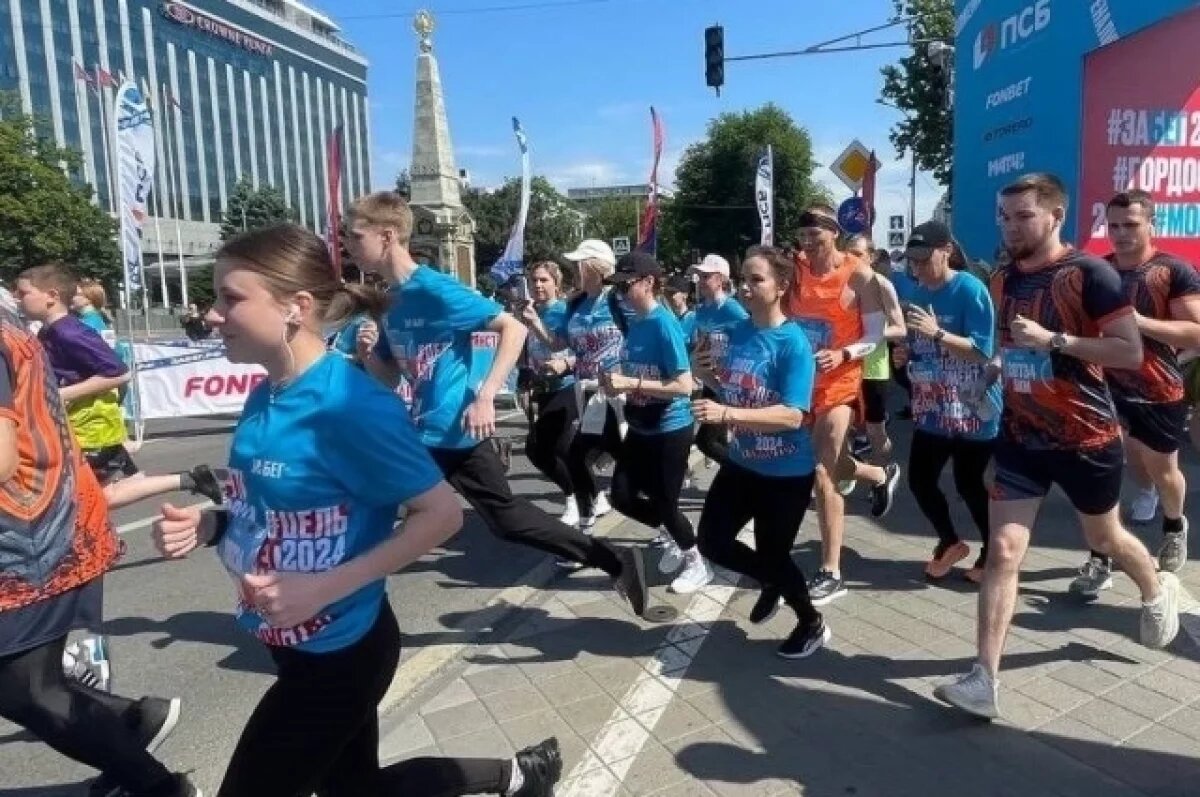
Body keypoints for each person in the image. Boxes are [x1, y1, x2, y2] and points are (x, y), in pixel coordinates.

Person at [153, 223, 562, 797]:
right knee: (357, 789)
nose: (212, 315)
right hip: (287, 640)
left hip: (342, 652)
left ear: (296, 307)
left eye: (231, 298)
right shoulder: (265, 390)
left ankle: (518, 776)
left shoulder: (351, 406)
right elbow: (266, 506)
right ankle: (517, 776)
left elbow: (440, 515)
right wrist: (213, 522)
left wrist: (322, 588)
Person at [935, 173, 1180, 721]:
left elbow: (1129, 352)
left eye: (1023, 216)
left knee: (1106, 536)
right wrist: (988, 377)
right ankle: (983, 679)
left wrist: (1057, 341)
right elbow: (1005, 346)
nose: (1010, 225)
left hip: (1085, 439)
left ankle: (1153, 586)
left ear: (1054, 217)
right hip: (1020, 437)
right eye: (1004, 215)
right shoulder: (1000, 279)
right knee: (1002, 552)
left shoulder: (1090, 274)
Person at [347, 194, 649, 617]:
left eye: (354, 235)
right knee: (387, 499)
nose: (347, 244)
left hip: (454, 428)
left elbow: (512, 329)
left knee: (497, 517)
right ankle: (345, 598)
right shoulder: (388, 300)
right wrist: (369, 357)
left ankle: (345, 602)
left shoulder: (433, 288)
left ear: (387, 235)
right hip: (425, 429)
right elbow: (392, 377)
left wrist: (486, 395)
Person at [0, 303, 194, 797]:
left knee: (28, 688)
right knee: (29, 686)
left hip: (29, 542)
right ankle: (131, 728)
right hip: (38, 531)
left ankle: (157, 784)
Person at [693, 246, 828, 658]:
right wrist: (704, 374)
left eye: (758, 280)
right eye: (744, 280)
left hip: (786, 472)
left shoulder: (792, 344)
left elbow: (792, 415)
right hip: (743, 463)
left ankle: (810, 620)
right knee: (712, 543)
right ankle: (773, 580)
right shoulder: (738, 333)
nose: (747, 289)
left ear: (781, 286)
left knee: (774, 554)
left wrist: (725, 412)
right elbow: (733, 388)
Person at [1068, 190, 1200, 596]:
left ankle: (1175, 524)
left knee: (1163, 471)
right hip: (1104, 389)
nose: (1121, 234)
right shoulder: (1098, 271)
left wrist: (1136, 321)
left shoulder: (1173, 270)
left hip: (1158, 389)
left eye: (1131, 225)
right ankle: (1100, 556)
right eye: (1114, 225)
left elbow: (1196, 331)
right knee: (1098, 474)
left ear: (1151, 224)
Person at [783, 206, 900, 606]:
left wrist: (845, 354)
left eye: (816, 235)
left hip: (840, 382)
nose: (808, 243)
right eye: (803, 236)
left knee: (821, 472)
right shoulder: (794, 269)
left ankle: (831, 571)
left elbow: (875, 335)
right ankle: (875, 475)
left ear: (833, 232)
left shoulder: (860, 275)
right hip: (801, 382)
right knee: (823, 463)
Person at [602, 252, 711, 593]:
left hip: (669, 428)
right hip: (640, 426)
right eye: (617, 288)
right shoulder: (634, 321)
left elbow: (683, 385)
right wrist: (616, 379)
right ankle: (672, 531)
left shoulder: (664, 324)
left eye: (626, 286)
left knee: (666, 503)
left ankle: (696, 560)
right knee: (620, 496)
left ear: (649, 283)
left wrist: (630, 384)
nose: (620, 294)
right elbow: (606, 300)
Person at [899, 221, 1000, 584]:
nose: (918, 268)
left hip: (972, 406)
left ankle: (994, 550)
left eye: (924, 260)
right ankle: (950, 541)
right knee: (920, 481)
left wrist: (937, 333)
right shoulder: (918, 291)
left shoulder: (969, 289)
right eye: (912, 262)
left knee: (969, 483)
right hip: (932, 407)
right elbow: (922, 345)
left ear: (946, 250)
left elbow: (981, 351)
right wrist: (908, 355)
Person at [557, 239, 630, 531]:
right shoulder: (575, 303)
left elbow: (645, 335)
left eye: (579, 263)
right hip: (587, 392)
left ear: (596, 268)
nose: (574, 268)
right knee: (577, 457)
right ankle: (587, 519)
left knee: (629, 462)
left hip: (618, 395)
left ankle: (672, 531)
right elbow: (564, 344)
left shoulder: (620, 300)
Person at [517, 261, 581, 525]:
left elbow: (568, 348)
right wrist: (523, 382)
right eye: (534, 280)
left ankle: (575, 499)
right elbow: (525, 349)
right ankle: (584, 494)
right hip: (541, 389)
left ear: (557, 283)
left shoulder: (564, 311)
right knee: (537, 451)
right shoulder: (531, 311)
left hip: (566, 386)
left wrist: (535, 322)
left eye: (544, 280)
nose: (538, 285)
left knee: (560, 448)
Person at [844, 235, 906, 465]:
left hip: (872, 368)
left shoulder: (881, 284)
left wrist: (871, 334)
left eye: (858, 254)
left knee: (875, 433)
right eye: (848, 254)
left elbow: (900, 329)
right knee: (839, 425)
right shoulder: (842, 285)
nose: (853, 260)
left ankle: (882, 470)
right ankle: (846, 469)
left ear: (871, 257)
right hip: (844, 368)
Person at [689, 254, 750, 467]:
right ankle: (734, 481)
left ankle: (742, 472)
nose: (701, 281)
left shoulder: (732, 309)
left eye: (706, 276)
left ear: (721, 279)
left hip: (728, 382)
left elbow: (749, 339)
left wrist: (731, 361)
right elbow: (700, 341)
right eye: (699, 276)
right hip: (709, 380)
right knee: (721, 440)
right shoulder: (702, 309)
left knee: (706, 441)